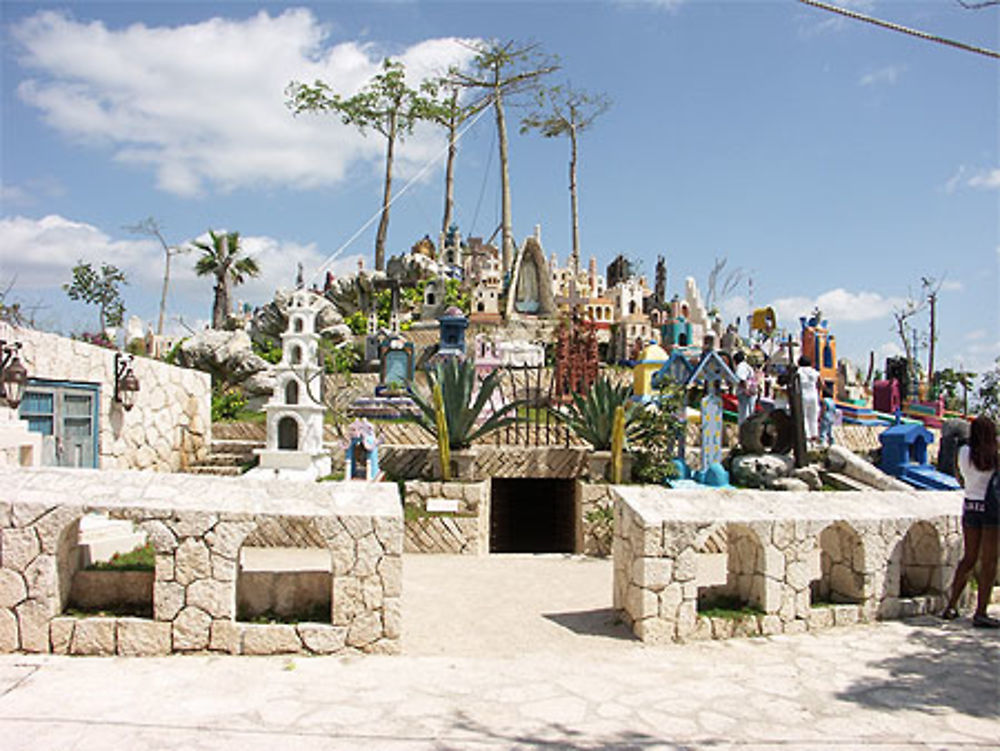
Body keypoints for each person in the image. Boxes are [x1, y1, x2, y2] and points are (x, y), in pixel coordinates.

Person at [941, 415, 999, 628]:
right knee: (989, 561)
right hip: (991, 509)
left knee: (969, 558)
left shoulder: (964, 452)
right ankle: (981, 612)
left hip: (970, 506)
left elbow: (959, 477)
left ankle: (951, 606)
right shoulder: (994, 455)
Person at [796, 355, 821, 444]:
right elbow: (820, 384)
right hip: (814, 395)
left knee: (804, 416)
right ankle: (814, 435)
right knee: (814, 416)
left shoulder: (798, 372)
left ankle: (807, 436)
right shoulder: (814, 372)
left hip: (803, 395)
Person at [733, 351, 758, 425]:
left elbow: (742, 379)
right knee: (749, 412)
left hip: (745, 394)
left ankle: (744, 429)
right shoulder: (747, 366)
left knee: (744, 414)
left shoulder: (741, 367)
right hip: (751, 392)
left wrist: (746, 390)